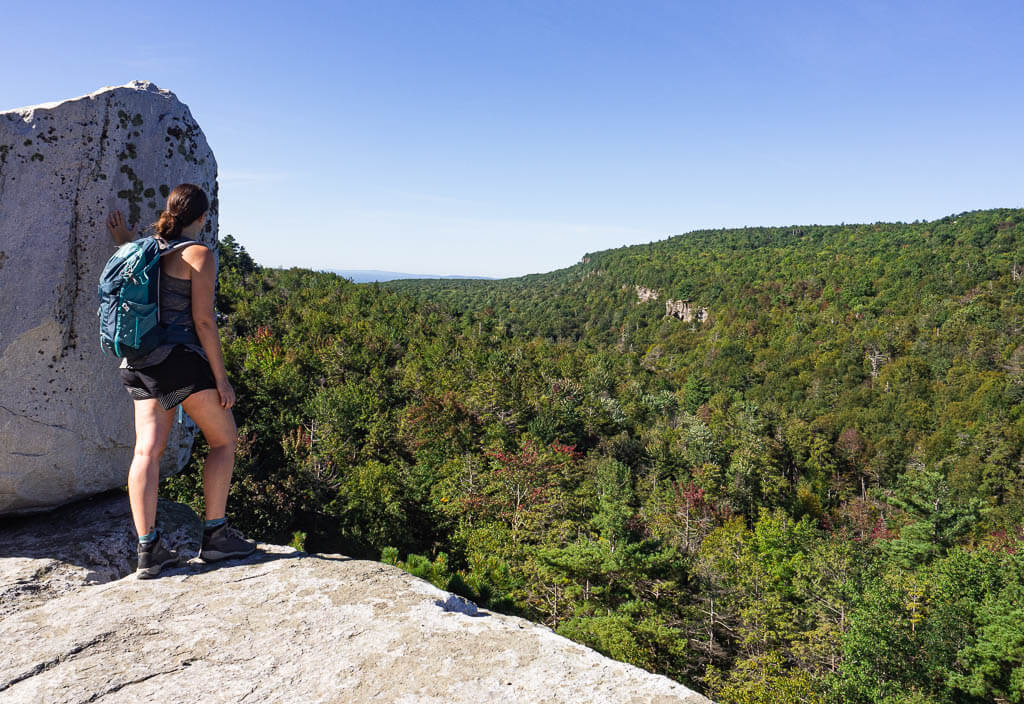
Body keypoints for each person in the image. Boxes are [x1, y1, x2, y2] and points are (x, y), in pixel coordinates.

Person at [106, 183, 257, 578]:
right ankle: (216, 537)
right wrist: (221, 380)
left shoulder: (142, 249)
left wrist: (123, 240)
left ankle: (148, 550)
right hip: (176, 364)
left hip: (137, 362)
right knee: (224, 439)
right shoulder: (199, 254)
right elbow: (204, 321)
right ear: (202, 218)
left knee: (147, 451)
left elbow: (140, 274)